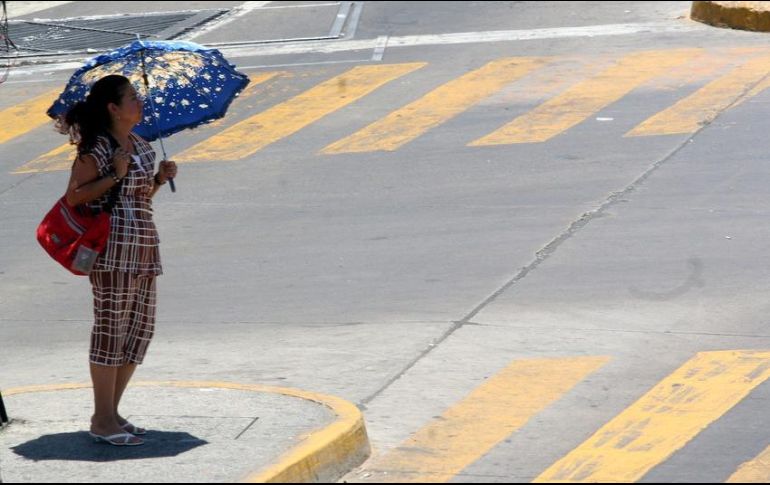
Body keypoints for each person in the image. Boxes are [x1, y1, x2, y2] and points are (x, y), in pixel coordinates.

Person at [59, 74, 177, 446]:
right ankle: (102, 419)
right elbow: (75, 197)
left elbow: (140, 197)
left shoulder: (142, 145)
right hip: (112, 254)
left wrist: (158, 178)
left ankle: (112, 412)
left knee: (138, 334)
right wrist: (114, 174)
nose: (139, 103)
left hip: (144, 247)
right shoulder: (97, 148)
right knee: (110, 334)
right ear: (113, 108)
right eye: (131, 98)